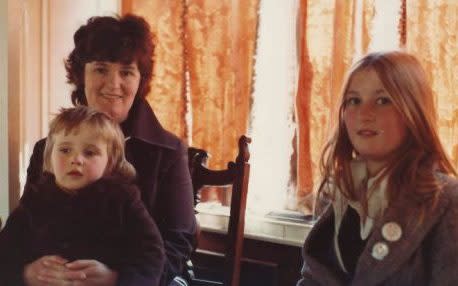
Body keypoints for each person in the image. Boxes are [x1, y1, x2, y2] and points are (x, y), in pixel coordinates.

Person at [24, 14, 196, 286]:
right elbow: (27, 228)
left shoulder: (169, 151)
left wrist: (118, 279)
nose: (113, 84)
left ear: (140, 81)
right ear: (81, 75)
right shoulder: (47, 149)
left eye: (126, 72)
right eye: (101, 69)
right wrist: (28, 271)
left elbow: (177, 243)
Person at [297, 51, 458, 286]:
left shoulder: (447, 201)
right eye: (354, 100)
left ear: (412, 110)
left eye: (383, 100)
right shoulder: (337, 193)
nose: (364, 114)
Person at [0, 106, 165, 286]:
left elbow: (150, 257)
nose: (76, 159)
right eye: (65, 150)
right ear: (49, 158)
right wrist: (25, 275)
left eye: (89, 152)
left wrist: (115, 280)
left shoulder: (123, 202)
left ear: (110, 163)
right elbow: (5, 254)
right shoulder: (34, 201)